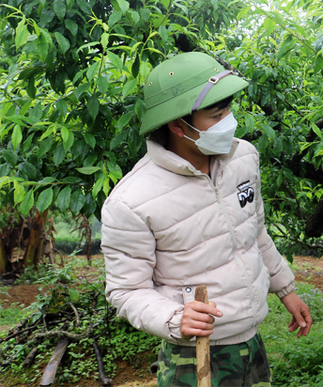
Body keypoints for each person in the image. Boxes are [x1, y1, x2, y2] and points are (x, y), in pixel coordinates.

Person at [101, 51, 312, 387]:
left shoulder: (242, 157)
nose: (229, 121)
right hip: (194, 356)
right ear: (176, 125)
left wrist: (286, 289)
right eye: (216, 115)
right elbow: (126, 291)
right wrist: (174, 318)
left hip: (251, 343)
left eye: (228, 110)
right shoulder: (131, 202)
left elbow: (254, 232)